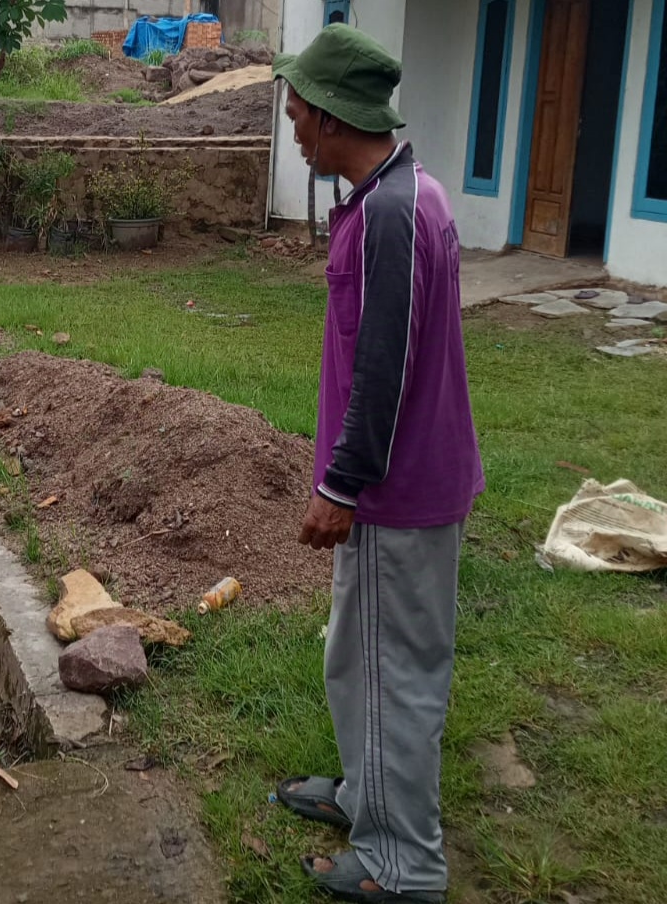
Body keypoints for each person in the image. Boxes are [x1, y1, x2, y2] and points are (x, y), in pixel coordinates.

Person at [273, 24, 485, 904]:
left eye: (295, 113)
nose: (290, 128)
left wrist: (341, 485)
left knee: (390, 673)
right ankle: (367, 797)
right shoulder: (401, 194)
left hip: (392, 495)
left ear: (330, 119)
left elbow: (384, 367)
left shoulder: (394, 213)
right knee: (361, 662)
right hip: (405, 486)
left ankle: (404, 868)